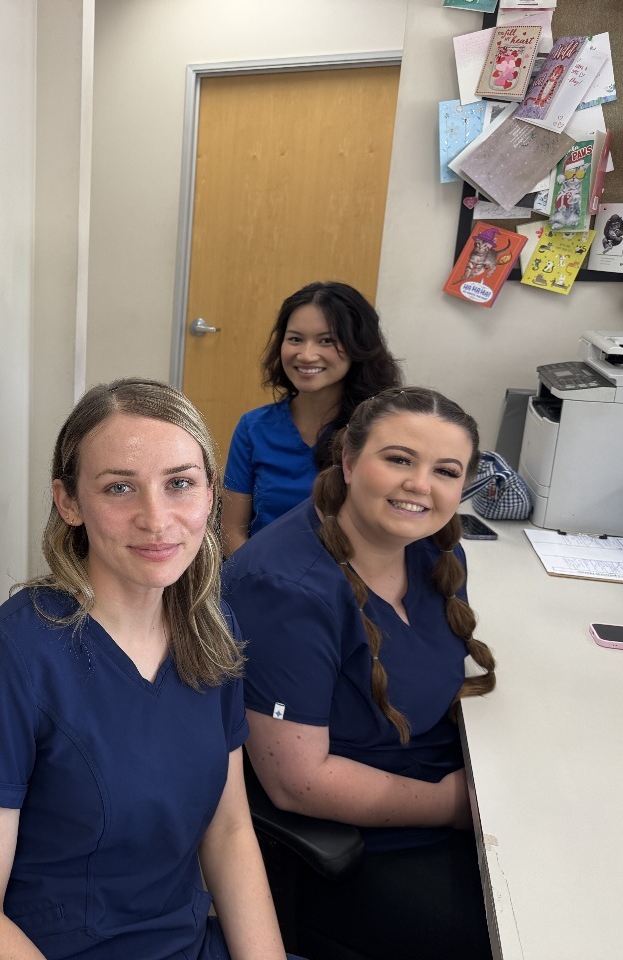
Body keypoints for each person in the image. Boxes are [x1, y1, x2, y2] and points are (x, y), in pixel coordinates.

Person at [0, 378, 295, 960]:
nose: (156, 520)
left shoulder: (211, 625)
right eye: (119, 489)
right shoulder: (10, 655)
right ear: (68, 502)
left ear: (210, 492)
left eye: (179, 483)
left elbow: (228, 831)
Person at [222, 386, 497, 960]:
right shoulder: (286, 587)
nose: (420, 485)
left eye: (445, 470)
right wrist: (452, 807)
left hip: (456, 787)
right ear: (348, 462)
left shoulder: (433, 551)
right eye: (398, 459)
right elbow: (297, 781)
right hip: (370, 837)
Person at [222, 281, 401, 556]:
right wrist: (260, 583)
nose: (306, 355)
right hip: (261, 581)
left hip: (349, 587)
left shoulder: (382, 431)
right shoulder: (253, 428)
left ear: (358, 346)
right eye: (295, 339)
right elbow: (231, 532)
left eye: (326, 340)